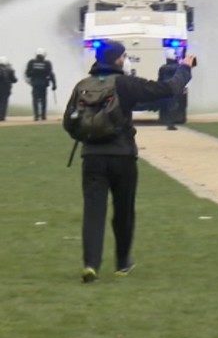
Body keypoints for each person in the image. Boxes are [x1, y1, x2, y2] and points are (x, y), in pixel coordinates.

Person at [62, 40, 194, 283]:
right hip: (122, 156)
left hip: (92, 157)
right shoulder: (124, 84)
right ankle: (122, 262)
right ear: (117, 60)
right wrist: (185, 68)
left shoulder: (83, 85)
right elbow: (166, 89)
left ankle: (91, 264)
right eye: (123, 56)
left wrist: (88, 137)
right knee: (123, 211)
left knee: (93, 212)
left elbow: (69, 123)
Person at [25, 48, 56, 121]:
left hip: (35, 84)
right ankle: (43, 116)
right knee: (43, 100)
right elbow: (51, 74)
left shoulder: (31, 63)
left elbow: (27, 74)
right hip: (44, 84)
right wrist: (54, 84)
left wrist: (33, 75)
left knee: (35, 100)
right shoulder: (47, 63)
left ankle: (36, 116)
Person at [158, 54, 182, 130]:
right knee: (173, 106)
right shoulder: (177, 67)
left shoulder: (162, 67)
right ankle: (170, 124)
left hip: (164, 87)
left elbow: (159, 78)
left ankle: (164, 121)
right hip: (173, 88)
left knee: (165, 105)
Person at [0, 56, 17, 121]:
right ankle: (2, 117)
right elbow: (14, 80)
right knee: (4, 102)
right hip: (6, 89)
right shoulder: (10, 69)